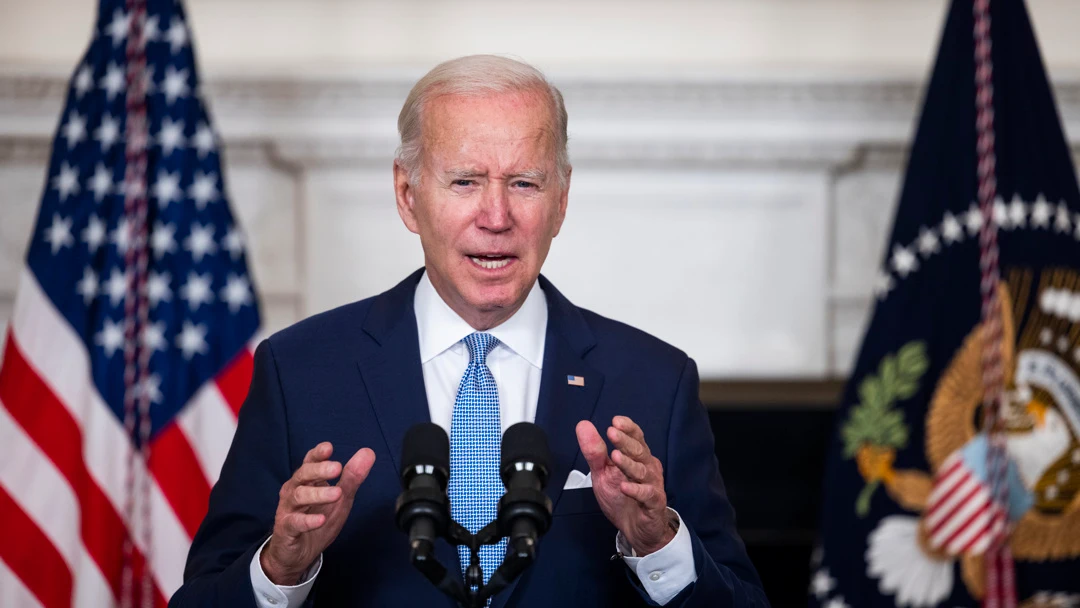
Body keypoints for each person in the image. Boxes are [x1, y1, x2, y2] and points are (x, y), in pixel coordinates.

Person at [170, 55, 768, 608]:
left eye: (524, 183)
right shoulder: (299, 372)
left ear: (560, 201)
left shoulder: (654, 382)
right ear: (408, 196)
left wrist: (657, 542)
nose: (497, 217)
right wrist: (281, 568)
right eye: (465, 181)